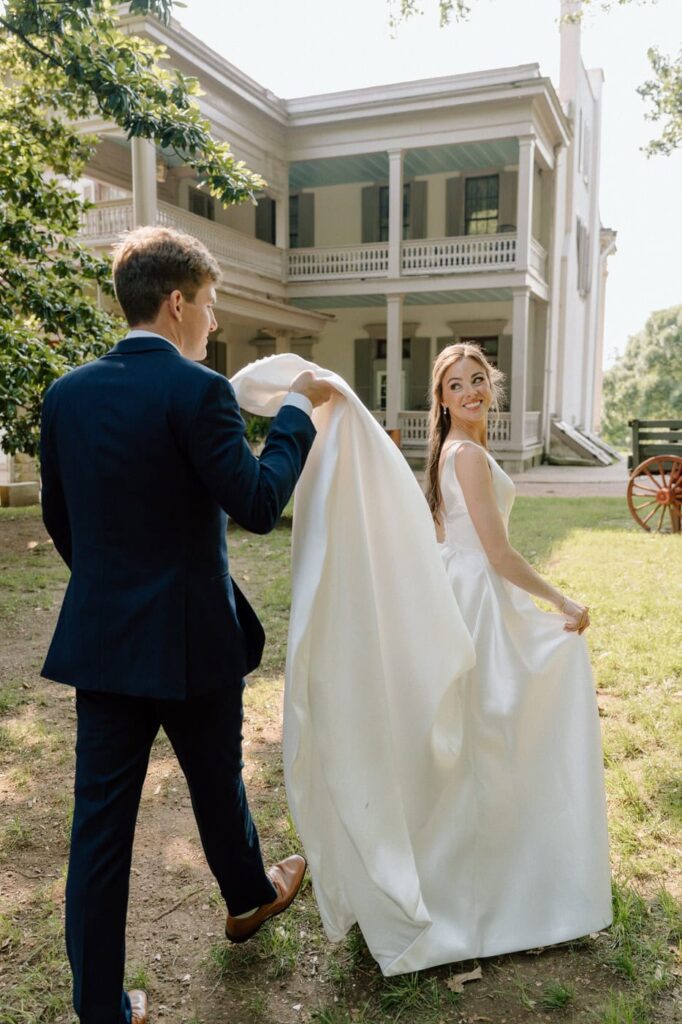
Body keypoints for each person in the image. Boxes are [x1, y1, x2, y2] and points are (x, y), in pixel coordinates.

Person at [39, 226, 331, 1024]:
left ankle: (102, 1007)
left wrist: (112, 588)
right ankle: (245, 895)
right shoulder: (199, 390)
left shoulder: (65, 395)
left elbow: (62, 521)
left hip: (103, 643)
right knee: (215, 780)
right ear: (176, 303)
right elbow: (258, 502)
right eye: (208, 304)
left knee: (98, 833)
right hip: (194, 637)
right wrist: (300, 416)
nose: (212, 319)